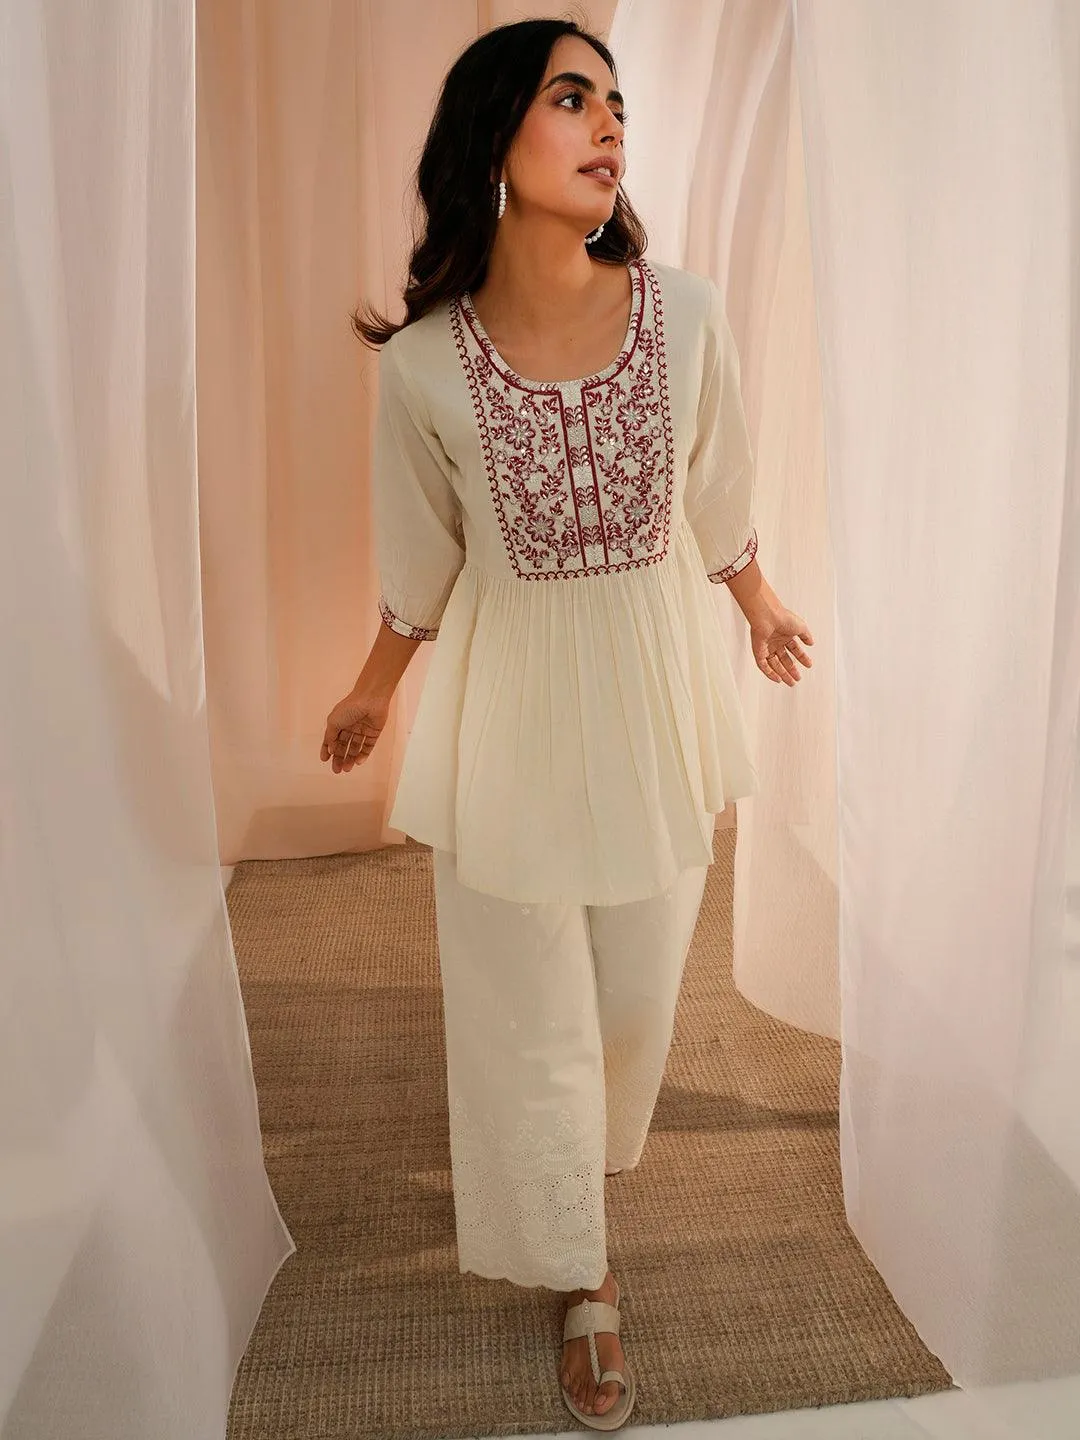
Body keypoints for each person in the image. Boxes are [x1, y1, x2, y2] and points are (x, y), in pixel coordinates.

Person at [320, 18, 813, 1431]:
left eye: (617, 104)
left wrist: (758, 600)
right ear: (496, 138)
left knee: (636, 988)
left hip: (654, 687)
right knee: (520, 990)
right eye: (572, 98)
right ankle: (580, 1269)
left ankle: (582, 1169)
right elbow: (423, 553)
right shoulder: (424, 367)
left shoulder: (687, 315)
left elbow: (715, 488)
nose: (609, 126)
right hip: (512, 695)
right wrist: (373, 686)